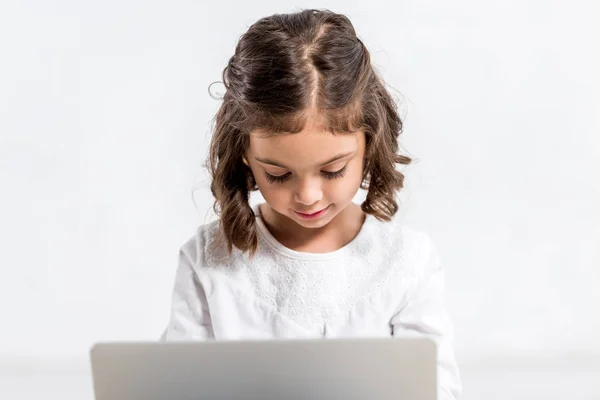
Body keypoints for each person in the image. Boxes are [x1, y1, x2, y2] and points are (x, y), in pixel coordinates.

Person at [161, 8, 461, 400]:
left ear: (370, 144)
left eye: (333, 170)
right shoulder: (208, 260)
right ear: (245, 156)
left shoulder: (404, 262)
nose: (308, 196)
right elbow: (174, 387)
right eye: (279, 174)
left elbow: (437, 390)